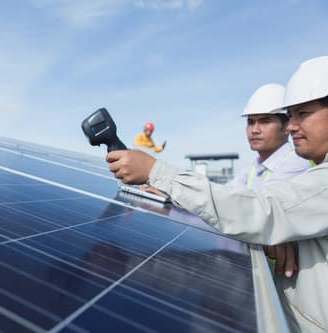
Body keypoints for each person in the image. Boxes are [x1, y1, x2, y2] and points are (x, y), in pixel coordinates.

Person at [106, 56, 328, 333]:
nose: (292, 126)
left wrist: (158, 172)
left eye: (302, 114)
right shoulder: (256, 168)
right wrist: (273, 228)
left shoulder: (305, 171)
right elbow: (236, 203)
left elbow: (257, 212)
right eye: (251, 121)